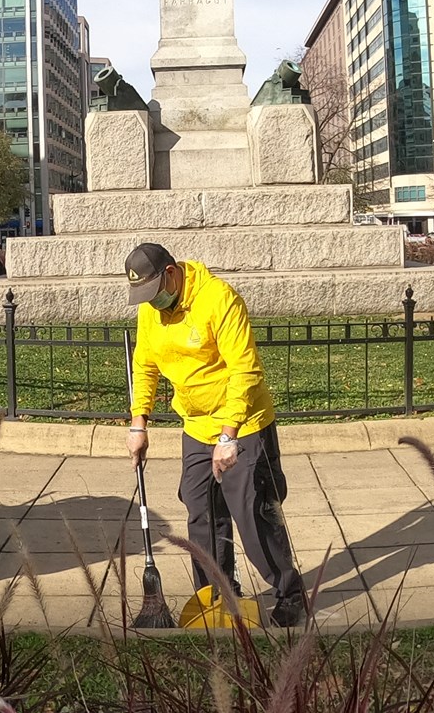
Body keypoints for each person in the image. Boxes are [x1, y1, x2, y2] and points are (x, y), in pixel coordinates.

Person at [123, 242, 307, 627]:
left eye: (154, 292)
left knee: (253, 515)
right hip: (195, 425)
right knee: (201, 512)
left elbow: (245, 370)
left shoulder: (219, 299)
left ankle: (290, 594)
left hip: (242, 423)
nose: (152, 303)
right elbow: (144, 366)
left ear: (172, 273)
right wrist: (139, 424)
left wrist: (229, 437)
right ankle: (217, 594)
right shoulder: (150, 310)